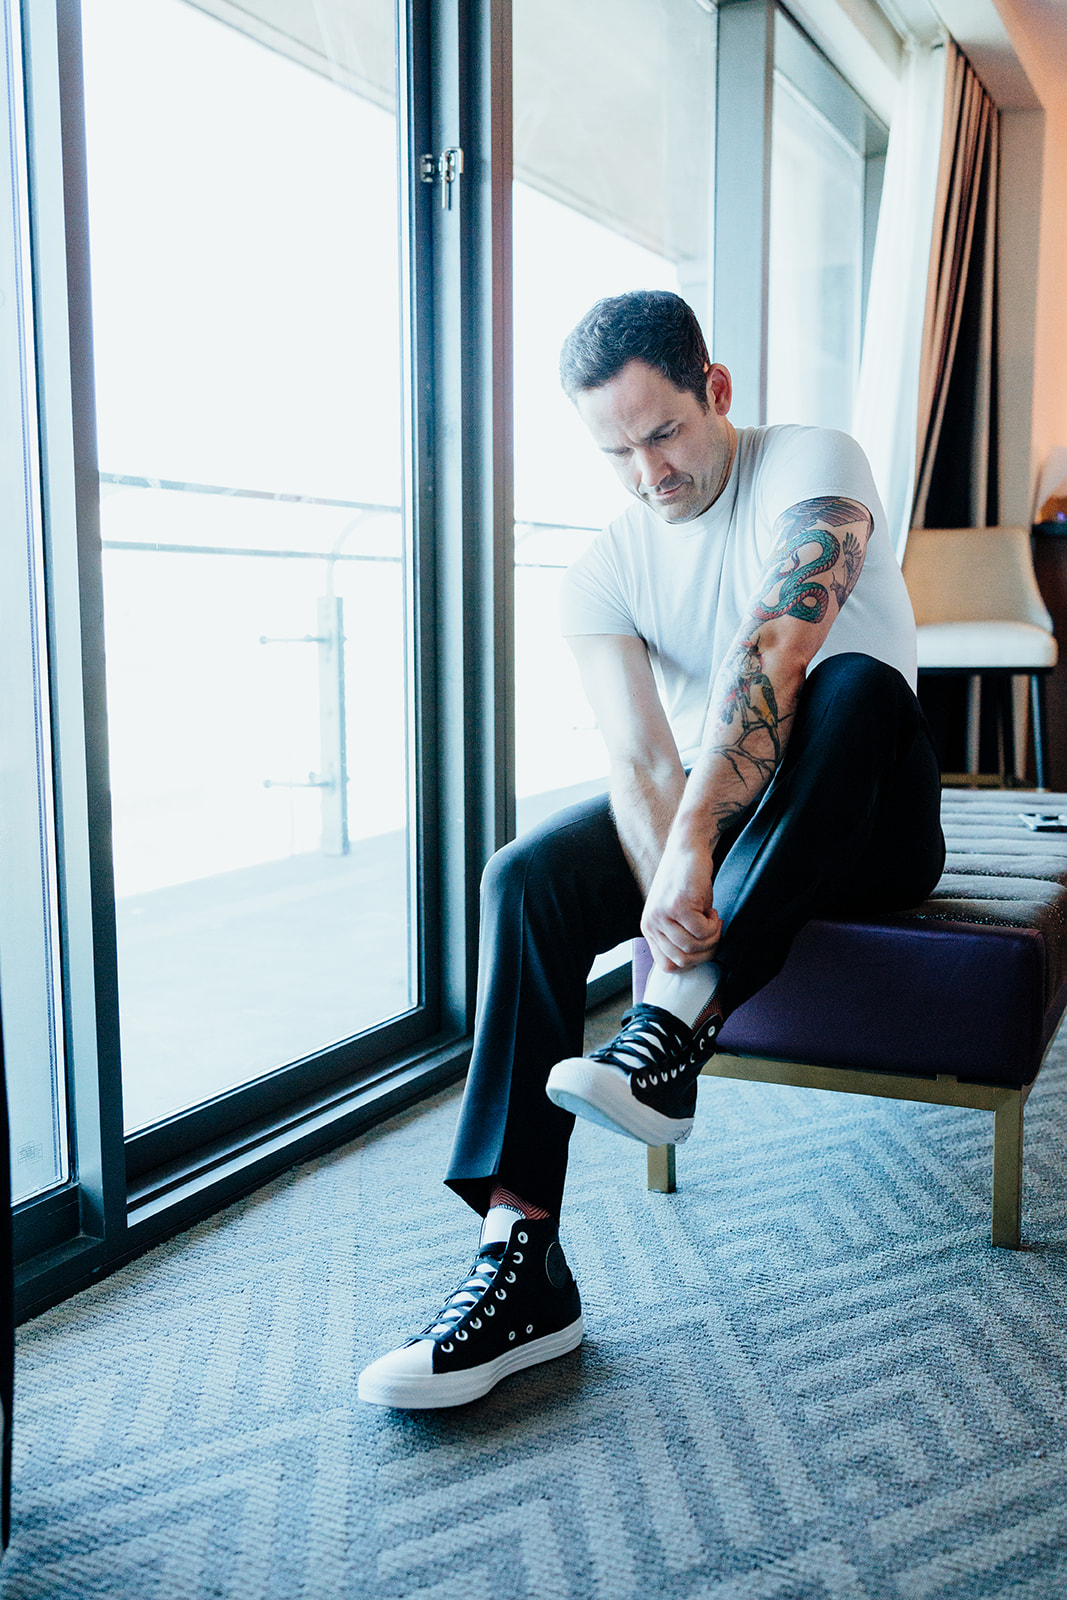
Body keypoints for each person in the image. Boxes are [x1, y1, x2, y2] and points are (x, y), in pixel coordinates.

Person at [358, 289, 945, 1411]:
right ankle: (517, 1261)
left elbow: (777, 644)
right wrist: (672, 853)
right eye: (615, 449)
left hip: (871, 815)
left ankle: (671, 1020)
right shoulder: (601, 570)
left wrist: (687, 871)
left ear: (713, 392)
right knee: (521, 876)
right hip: (732, 823)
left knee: (851, 687)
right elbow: (636, 759)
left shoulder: (811, 461)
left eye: (663, 431)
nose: (646, 470)